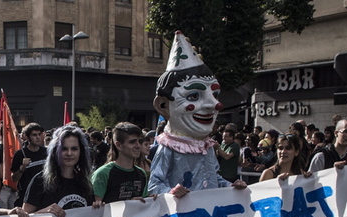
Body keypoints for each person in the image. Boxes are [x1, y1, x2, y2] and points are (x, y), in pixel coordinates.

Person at [148, 31, 246, 198]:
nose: (215, 105)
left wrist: (232, 186)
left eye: (214, 95)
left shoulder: (206, 146)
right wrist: (171, 192)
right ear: (163, 105)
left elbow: (213, 179)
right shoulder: (169, 147)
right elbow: (154, 185)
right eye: (194, 96)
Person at [23, 125, 95, 217]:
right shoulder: (40, 181)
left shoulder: (85, 183)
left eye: (74, 149)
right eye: (64, 149)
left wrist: (98, 210)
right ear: (55, 151)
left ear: (81, 152)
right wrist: (44, 212)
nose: (69, 153)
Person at [92, 122, 149, 204]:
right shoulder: (102, 174)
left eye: (139, 141)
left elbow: (144, 206)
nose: (138, 146)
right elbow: (95, 210)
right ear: (118, 145)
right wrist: (127, 204)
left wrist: (150, 201)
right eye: (132, 142)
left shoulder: (141, 174)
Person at [11, 122, 47, 207]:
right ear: (27, 137)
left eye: (39, 134)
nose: (38, 137)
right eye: (34, 135)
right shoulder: (20, 154)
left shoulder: (46, 152)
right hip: (25, 197)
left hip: (44, 195)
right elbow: (14, 178)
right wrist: (21, 169)